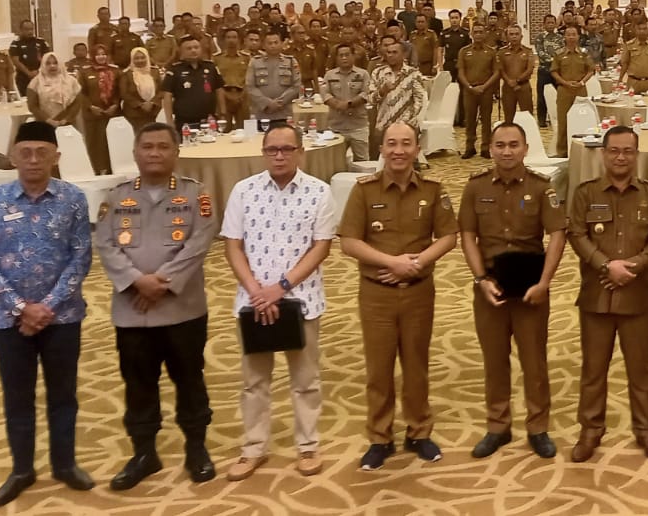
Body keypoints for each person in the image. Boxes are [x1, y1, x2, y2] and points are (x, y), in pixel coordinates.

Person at [0, 120, 95, 507]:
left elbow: (81, 258)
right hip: (9, 320)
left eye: (42, 152)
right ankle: (22, 469)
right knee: (17, 397)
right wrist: (22, 308)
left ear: (56, 157)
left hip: (63, 316)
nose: (33, 160)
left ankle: (65, 464)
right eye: (25, 152)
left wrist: (49, 306)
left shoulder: (73, 199)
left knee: (64, 395)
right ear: (13, 157)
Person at [95, 123, 220, 489]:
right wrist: (137, 281)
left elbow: (201, 239)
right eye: (147, 146)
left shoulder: (195, 194)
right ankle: (144, 453)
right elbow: (105, 243)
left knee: (190, 379)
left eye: (163, 147)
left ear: (176, 153)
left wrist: (161, 283)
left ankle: (196, 448)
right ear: (135, 153)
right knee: (138, 384)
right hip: (132, 311)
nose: (154, 153)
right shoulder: (115, 197)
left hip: (183, 309)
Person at [220, 123, 338, 481]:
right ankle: (254, 447)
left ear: (300, 151)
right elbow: (232, 245)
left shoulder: (319, 192)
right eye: (272, 150)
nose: (279, 156)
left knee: (306, 379)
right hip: (253, 301)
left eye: (287, 149)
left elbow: (321, 247)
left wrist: (280, 287)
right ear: (264, 152)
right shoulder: (243, 191)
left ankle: (307, 445)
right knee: (254, 381)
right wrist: (258, 290)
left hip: (301, 300)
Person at [340, 120, 459, 469]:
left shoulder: (433, 189)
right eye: (391, 143)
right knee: (378, 370)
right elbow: (348, 242)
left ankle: (419, 431)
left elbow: (449, 236)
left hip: (419, 292)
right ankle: (380, 437)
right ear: (382, 149)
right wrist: (391, 262)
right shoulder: (364, 190)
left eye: (406, 143)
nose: (398, 150)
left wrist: (417, 263)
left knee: (416, 365)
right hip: (376, 295)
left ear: (417, 149)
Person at [459, 122, 566, 460]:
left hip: (531, 286)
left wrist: (545, 283)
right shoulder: (475, 188)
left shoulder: (541, 187)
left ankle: (538, 427)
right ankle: (497, 426)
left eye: (514, 145)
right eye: (500, 145)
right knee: (494, 359)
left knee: (534, 361)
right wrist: (479, 279)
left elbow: (558, 235)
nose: (507, 151)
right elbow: (466, 235)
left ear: (525, 148)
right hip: (491, 285)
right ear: (490, 148)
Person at [566, 126, 648, 463]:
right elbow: (577, 234)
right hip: (597, 294)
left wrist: (635, 265)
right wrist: (606, 265)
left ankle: (646, 429)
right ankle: (590, 429)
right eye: (614, 151)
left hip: (637, 294)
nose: (621, 157)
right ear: (603, 153)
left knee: (641, 368)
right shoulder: (585, 193)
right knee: (593, 369)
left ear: (637, 154)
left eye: (628, 151)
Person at [319, 43, 371, 162]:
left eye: (347, 55)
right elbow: (324, 94)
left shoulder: (363, 74)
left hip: (358, 126)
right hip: (336, 126)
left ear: (353, 56)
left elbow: (366, 93)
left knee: (362, 161)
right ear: (336, 58)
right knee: (335, 161)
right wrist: (337, 104)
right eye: (340, 55)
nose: (344, 58)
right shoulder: (329, 75)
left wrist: (349, 104)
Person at [551, 26, 596, 158]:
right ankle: (562, 152)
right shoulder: (559, 54)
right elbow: (554, 71)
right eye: (568, 34)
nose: (571, 37)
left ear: (578, 37)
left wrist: (582, 82)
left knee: (581, 119)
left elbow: (590, 70)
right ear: (564, 37)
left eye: (573, 34)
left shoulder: (584, 53)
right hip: (564, 90)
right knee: (563, 121)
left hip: (580, 89)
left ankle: (581, 150)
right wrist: (565, 83)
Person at [457, 24, 501, 159]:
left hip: (486, 90)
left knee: (486, 120)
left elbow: (496, 72)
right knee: (469, 120)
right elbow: (461, 72)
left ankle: (486, 147)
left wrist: (485, 86)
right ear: (471, 34)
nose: (478, 35)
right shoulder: (464, 51)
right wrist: (470, 87)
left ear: (485, 34)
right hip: (469, 90)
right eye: (475, 32)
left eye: (481, 32)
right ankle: (470, 147)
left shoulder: (491, 52)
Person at [161, 37, 224, 131]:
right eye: (189, 48)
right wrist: (169, 121)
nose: (193, 50)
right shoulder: (174, 70)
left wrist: (223, 113)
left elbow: (219, 90)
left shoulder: (211, 67)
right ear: (181, 51)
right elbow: (167, 96)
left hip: (209, 119)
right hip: (185, 121)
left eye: (196, 47)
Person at [79, 45, 122, 175]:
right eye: (98, 54)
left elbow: (120, 91)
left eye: (104, 54)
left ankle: (111, 169)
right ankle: (96, 170)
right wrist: (91, 107)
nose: (101, 57)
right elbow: (80, 92)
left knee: (110, 142)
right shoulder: (84, 71)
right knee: (94, 143)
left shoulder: (116, 71)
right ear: (92, 56)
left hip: (112, 112)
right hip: (92, 114)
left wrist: (115, 105)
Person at [246, 30, 302, 124]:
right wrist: (268, 103)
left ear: (281, 43)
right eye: (269, 43)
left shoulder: (291, 61)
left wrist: (279, 103)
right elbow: (250, 86)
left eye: (276, 42)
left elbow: (296, 85)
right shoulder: (255, 62)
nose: (273, 46)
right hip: (262, 112)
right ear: (263, 45)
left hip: (284, 113)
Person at [497, 23, 536, 123]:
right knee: (509, 117)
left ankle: (528, 137)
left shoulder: (528, 51)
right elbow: (500, 69)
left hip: (524, 87)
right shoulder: (501, 52)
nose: (514, 36)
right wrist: (509, 81)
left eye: (516, 34)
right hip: (508, 88)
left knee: (528, 117)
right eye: (511, 34)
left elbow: (530, 69)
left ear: (521, 36)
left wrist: (517, 81)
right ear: (507, 36)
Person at [213, 29, 251, 131]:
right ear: (223, 40)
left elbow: (250, 78)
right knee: (224, 130)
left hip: (242, 96)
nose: (231, 40)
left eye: (234, 37)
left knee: (245, 130)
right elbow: (214, 80)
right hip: (223, 97)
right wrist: (225, 95)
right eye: (228, 37)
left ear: (239, 40)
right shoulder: (216, 58)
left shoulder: (246, 58)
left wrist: (243, 94)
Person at [120, 47, 163, 129]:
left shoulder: (155, 71)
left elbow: (161, 90)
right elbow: (124, 93)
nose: (140, 60)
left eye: (143, 57)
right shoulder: (126, 74)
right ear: (132, 59)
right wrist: (140, 105)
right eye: (136, 58)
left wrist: (152, 103)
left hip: (154, 112)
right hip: (134, 114)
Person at [619, 21, 648, 92]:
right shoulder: (629, 45)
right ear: (635, 30)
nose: (642, 31)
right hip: (633, 82)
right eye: (639, 29)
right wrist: (620, 79)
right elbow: (625, 64)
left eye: (644, 29)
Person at [9, 20, 51, 95]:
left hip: (41, 76)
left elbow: (48, 58)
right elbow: (16, 61)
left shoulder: (41, 42)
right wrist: (28, 73)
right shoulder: (15, 44)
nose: (30, 32)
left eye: (31, 29)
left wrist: (38, 71)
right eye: (27, 29)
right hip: (23, 77)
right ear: (21, 30)